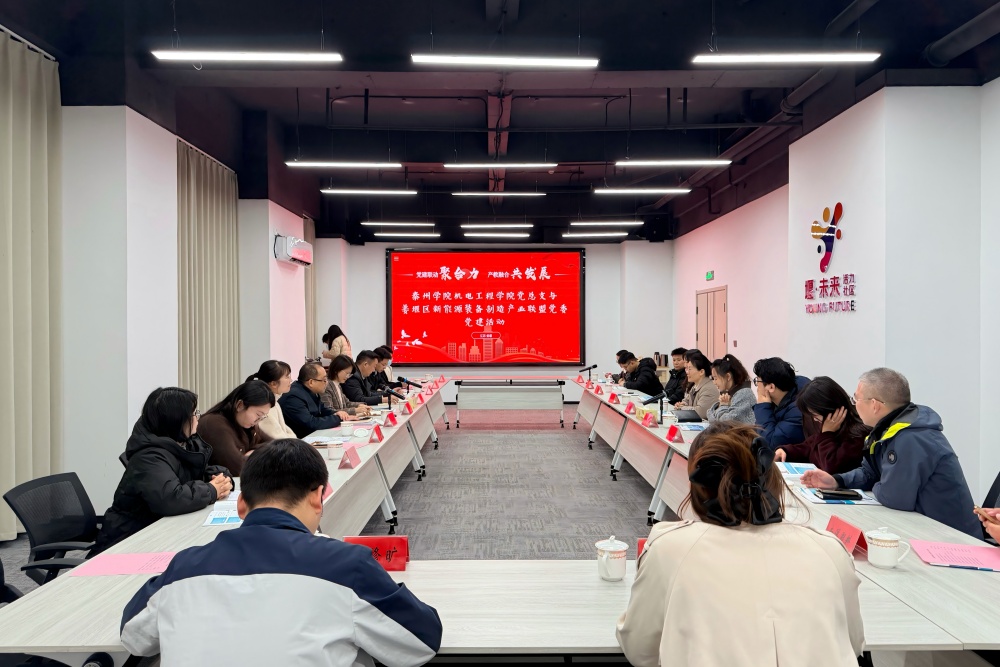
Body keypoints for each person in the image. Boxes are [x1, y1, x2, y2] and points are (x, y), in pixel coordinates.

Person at [120, 439, 443, 667]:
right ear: (318, 497)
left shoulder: (184, 566)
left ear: (241, 505)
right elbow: (419, 643)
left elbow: (134, 637)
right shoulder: (347, 565)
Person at [616, 422, 864, 667]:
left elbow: (640, 651)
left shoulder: (669, 549)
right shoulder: (830, 550)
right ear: (772, 480)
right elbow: (852, 645)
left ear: (698, 486)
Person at [803, 368, 981, 538]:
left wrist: (880, 482)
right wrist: (837, 481)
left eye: (856, 398)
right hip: (923, 528)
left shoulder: (911, 437)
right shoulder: (887, 431)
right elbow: (869, 472)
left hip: (953, 538)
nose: (854, 404)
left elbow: (894, 498)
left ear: (874, 405)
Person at [90, 388, 233, 557]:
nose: (197, 418)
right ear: (176, 420)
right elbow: (171, 498)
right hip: (127, 542)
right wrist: (211, 490)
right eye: (194, 414)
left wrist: (221, 479)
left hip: (156, 533)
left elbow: (199, 471)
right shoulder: (149, 457)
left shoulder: (181, 443)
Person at [773, 376, 868, 475]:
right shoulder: (830, 426)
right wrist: (786, 451)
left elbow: (831, 467)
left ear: (827, 408)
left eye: (815, 415)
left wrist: (827, 434)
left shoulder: (858, 434)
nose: (815, 419)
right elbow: (809, 447)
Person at [199, 381, 275, 477]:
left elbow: (277, 446)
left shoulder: (247, 424)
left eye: (263, 416)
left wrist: (254, 452)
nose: (258, 420)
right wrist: (259, 455)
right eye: (258, 414)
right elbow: (239, 468)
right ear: (240, 405)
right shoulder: (214, 424)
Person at [279, 362, 351, 438]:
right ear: (311, 382)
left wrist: (337, 413)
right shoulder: (294, 397)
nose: (326, 383)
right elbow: (311, 423)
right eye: (324, 380)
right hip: (299, 440)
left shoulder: (309, 390)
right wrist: (338, 418)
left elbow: (322, 410)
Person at [752, 357, 810, 448]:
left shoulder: (798, 412)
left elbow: (770, 444)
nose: (757, 386)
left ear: (771, 387)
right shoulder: (786, 392)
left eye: (757, 381)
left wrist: (763, 407)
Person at [250, 360, 297, 440]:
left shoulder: (274, 401)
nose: (291, 380)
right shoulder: (265, 406)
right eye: (287, 377)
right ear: (273, 384)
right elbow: (278, 438)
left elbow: (284, 432)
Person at [706, 354, 754, 424]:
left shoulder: (744, 394)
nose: (714, 382)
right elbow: (709, 414)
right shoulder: (730, 394)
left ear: (728, 377)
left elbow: (726, 423)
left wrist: (723, 406)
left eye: (715, 378)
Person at [673, 350, 720, 419]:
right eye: (686, 369)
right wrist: (680, 405)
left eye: (690, 369)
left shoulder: (709, 388)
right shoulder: (695, 386)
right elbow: (686, 401)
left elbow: (700, 412)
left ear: (701, 372)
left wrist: (682, 407)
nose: (687, 372)